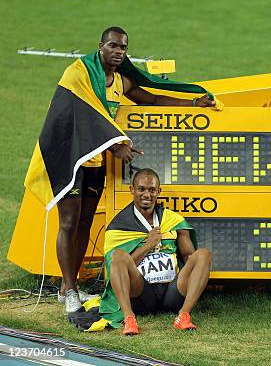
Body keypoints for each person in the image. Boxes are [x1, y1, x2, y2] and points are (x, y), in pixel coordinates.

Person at [56, 26, 220, 313]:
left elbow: (152, 99)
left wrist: (192, 103)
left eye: (123, 48)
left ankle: (69, 287)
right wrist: (113, 146)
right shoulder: (78, 74)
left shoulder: (120, 82)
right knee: (69, 222)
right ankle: (69, 289)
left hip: (95, 161)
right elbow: (79, 116)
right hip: (71, 157)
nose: (118, 52)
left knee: (84, 223)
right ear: (100, 47)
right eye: (112, 46)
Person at [100, 168, 212, 335]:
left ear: (158, 191)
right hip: (142, 292)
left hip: (172, 291)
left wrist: (193, 274)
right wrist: (148, 245)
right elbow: (116, 267)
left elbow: (189, 257)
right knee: (118, 256)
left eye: (152, 190)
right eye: (141, 189)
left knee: (204, 254)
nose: (147, 195)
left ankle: (184, 315)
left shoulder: (172, 220)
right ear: (132, 190)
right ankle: (129, 318)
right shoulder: (119, 226)